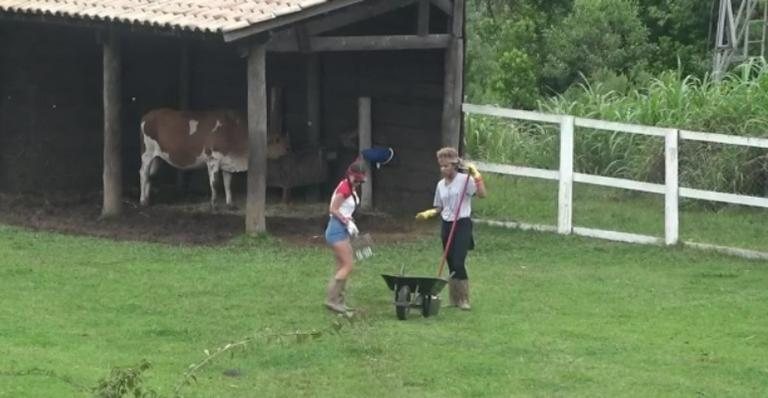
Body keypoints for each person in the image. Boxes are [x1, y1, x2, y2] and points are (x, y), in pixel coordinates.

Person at [416, 147, 487, 310]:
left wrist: (477, 176)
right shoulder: (440, 184)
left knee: (458, 261)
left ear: (454, 165)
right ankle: (453, 300)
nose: (443, 169)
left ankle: (463, 299)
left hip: (461, 223)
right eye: (441, 166)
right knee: (449, 261)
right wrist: (428, 213)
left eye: (446, 166)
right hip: (447, 224)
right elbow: (440, 207)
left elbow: (482, 194)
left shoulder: (465, 180)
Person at [324, 160, 367, 313]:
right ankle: (332, 300)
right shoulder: (344, 188)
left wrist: (350, 221)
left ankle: (338, 301)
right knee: (348, 265)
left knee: (342, 266)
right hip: (336, 230)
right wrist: (345, 221)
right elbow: (333, 209)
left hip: (343, 229)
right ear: (350, 175)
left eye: (361, 180)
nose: (359, 183)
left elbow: (345, 210)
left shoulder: (351, 188)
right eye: (357, 179)